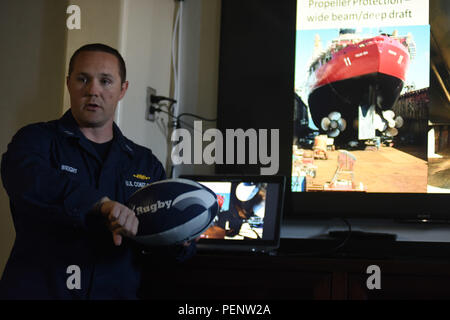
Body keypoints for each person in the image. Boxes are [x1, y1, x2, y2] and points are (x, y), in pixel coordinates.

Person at [0, 43, 194, 299]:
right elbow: (27, 183)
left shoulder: (144, 163)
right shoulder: (35, 140)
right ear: (68, 83)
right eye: (83, 79)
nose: (93, 91)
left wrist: (180, 238)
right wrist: (101, 205)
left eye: (105, 81)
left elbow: (157, 245)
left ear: (123, 89)